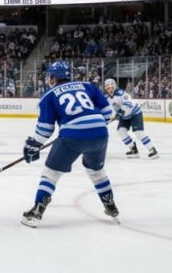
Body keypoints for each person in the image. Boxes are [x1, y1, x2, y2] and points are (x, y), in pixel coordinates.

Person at [21, 61, 119, 227]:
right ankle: (110, 205)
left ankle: (37, 211)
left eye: (50, 76)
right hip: (100, 134)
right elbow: (108, 113)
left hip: (72, 136)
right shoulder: (89, 86)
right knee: (96, 171)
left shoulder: (49, 95)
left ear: (54, 77)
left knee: (51, 172)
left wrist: (33, 145)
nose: (48, 79)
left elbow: (45, 129)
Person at [104, 78, 158, 159]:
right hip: (124, 116)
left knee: (138, 132)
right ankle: (133, 149)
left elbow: (129, 105)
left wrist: (119, 113)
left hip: (134, 113)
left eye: (111, 87)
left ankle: (152, 149)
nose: (110, 90)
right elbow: (107, 110)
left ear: (115, 86)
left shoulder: (121, 93)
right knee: (121, 131)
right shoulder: (106, 98)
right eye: (108, 88)